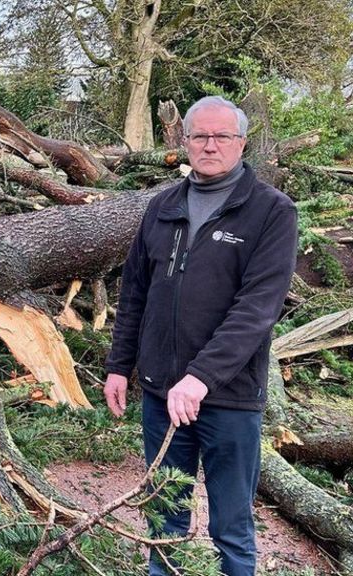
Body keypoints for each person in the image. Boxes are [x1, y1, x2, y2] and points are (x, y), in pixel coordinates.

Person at [103, 96, 298, 576]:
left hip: (229, 398)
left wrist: (201, 377)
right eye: (199, 136)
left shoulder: (271, 212)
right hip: (159, 390)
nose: (210, 145)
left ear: (241, 143)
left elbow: (257, 309)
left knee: (231, 527)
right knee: (163, 515)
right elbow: (135, 293)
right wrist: (118, 365)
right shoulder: (162, 205)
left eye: (222, 136)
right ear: (183, 140)